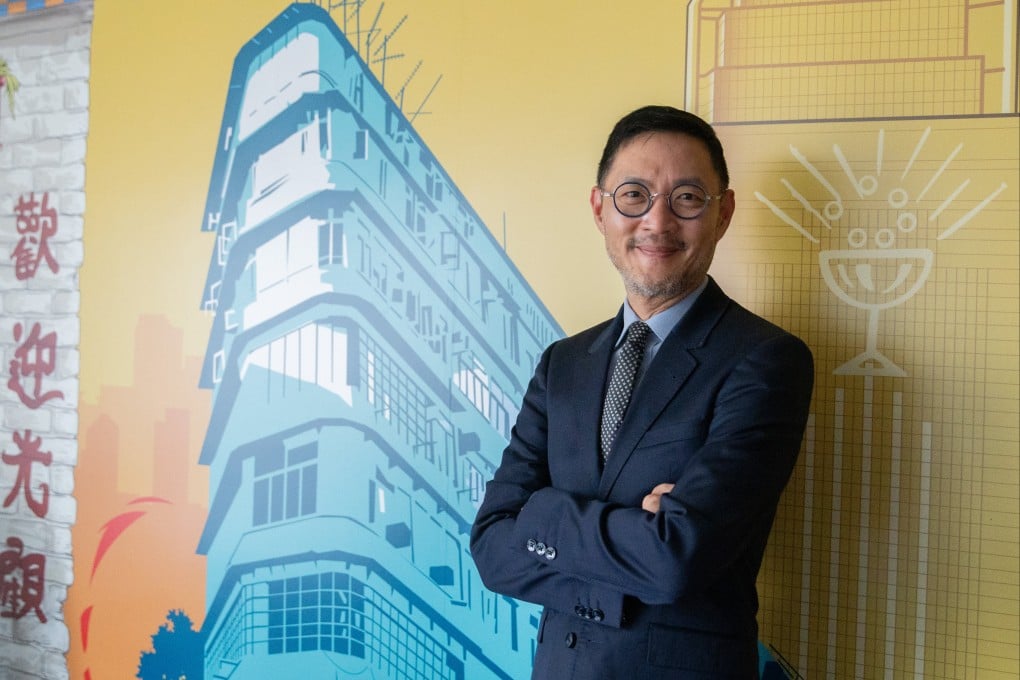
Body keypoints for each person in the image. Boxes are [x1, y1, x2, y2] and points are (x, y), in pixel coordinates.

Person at [469, 105, 814, 679]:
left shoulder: (766, 360)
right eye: (634, 195)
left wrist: (544, 515)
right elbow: (491, 548)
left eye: (687, 198)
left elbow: (673, 559)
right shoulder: (563, 364)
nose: (657, 223)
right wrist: (636, 529)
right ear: (600, 208)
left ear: (723, 213)